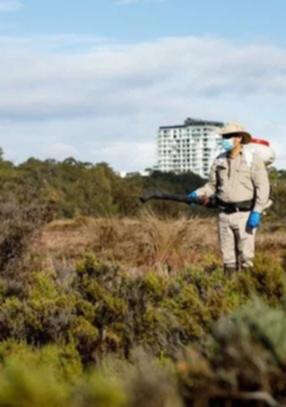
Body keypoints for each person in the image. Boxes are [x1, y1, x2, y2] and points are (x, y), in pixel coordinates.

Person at [188, 122, 270, 274]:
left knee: (246, 258)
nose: (224, 139)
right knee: (228, 259)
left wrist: (257, 211)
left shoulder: (252, 160)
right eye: (223, 136)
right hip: (224, 215)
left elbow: (263, 188)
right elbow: (211, 186)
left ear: (239, 138)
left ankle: (248, 292)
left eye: (228, 136)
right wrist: (197, 193)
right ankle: (229, 291)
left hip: (245, 215)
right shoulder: (219, 160)